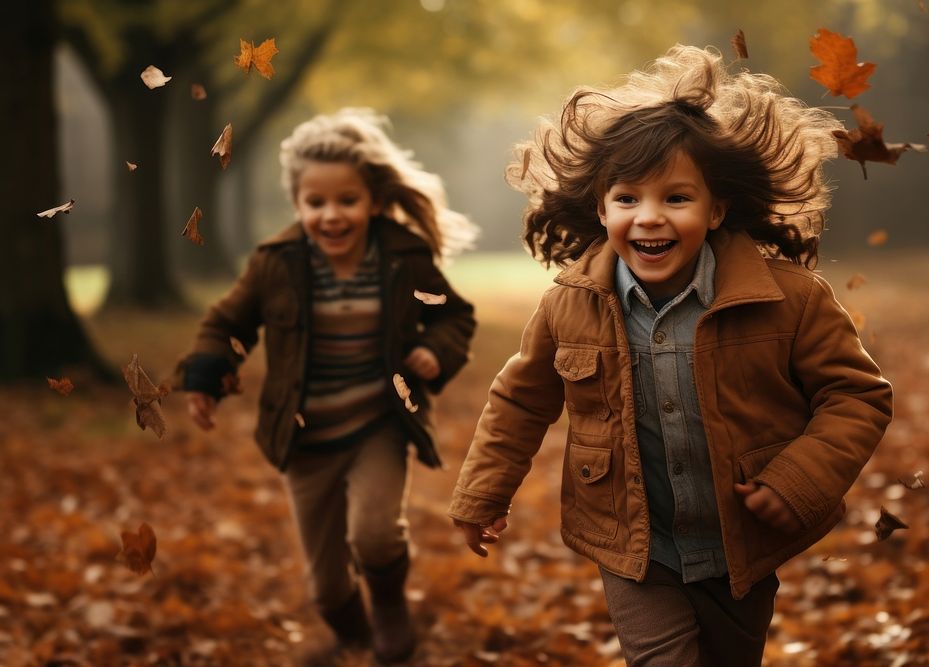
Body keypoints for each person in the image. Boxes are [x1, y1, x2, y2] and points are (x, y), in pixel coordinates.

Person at [448, 45, 892, 666]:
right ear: (601, 208)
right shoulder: (571, 304)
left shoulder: (788, 299)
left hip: (741, 541)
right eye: (627, 198)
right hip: (637, 548)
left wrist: (798, 481)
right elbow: (520, 401)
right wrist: (481, 495)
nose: (649, 217)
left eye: (676, 198)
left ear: (716, 209)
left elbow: (857, 395)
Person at [176, 109, 477, 663]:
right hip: (305, 439)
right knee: (326, 587)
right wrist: (205, 378)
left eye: (347, 201)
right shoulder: (276, 264)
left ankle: (388, 608)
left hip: (378, 425)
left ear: (373, 201)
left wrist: (436, 350)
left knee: (375, 535)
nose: (331, 215)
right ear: (298, 204)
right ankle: (351, 632)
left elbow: (450, 315)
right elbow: (228, 325)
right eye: (316, 203)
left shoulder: (401, 257)